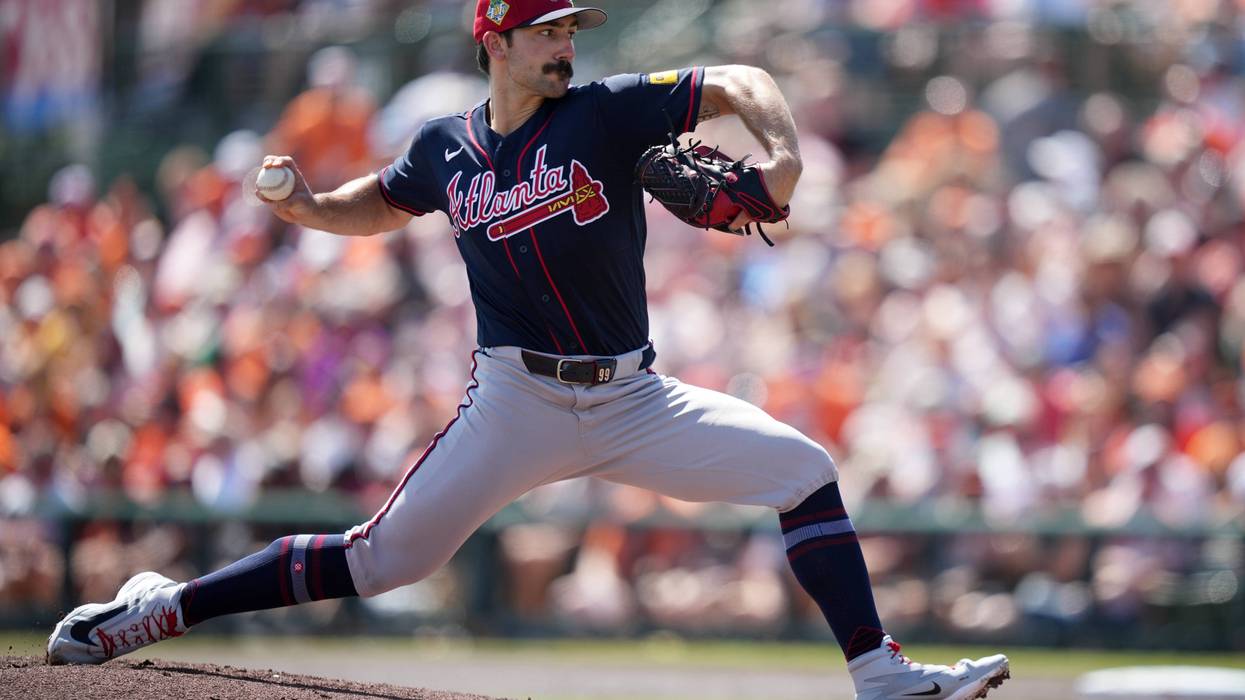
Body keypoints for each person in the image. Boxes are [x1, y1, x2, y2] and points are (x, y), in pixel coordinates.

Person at [48, 2, 1010, 697]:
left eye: (569, 30)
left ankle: (877, 673)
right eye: (545, 30)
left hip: (634, 399)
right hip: (516, 402)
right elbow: (379, 203)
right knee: (381, 562)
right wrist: (305, 206)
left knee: (803, 471)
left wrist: (784, 155)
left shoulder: (606, 110)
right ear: (495, 42)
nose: (564, 44)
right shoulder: (444, 146)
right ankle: (161, 608)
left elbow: (742, 83)